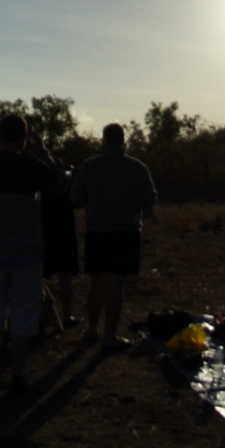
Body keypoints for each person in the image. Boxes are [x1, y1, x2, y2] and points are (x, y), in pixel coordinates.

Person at [0, 113, 64, 394]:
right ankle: (17, 375)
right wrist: (42, 152)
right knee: (24, 316)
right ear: (25, 137)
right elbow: (60, 183)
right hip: (28, 254)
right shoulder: (32, 167)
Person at [71, 122, 156, 351]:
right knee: (116, 285)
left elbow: (75, 199)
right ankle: (110, 335)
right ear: (123, 140)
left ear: (104, 140)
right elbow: (149, 199)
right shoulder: (137, 167)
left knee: (96, 282)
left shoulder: (89, 166)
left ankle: (92, 329)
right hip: (126, 232)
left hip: (97, 232)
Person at [41, 156, 80, 329]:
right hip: (64, 235)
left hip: (45, 235)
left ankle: (40, 317)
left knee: (42, 279)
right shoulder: (66, 190)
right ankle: (66, 316)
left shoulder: (41, 191)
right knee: (65, 279)